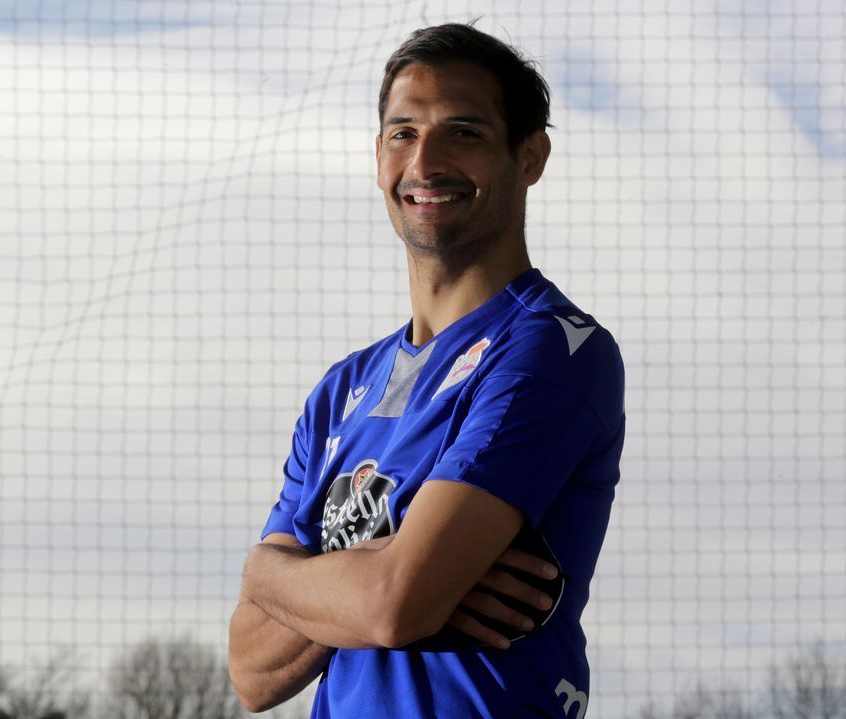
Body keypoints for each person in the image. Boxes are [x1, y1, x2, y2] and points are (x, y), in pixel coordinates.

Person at [227, 23, 625, 718]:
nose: (425, 162)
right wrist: (386, 562)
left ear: (529, 156)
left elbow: (391, 603)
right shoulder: (339, 392)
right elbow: (252, 670)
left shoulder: (554, 347)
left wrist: (281, 571)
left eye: (463, 133)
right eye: (402, 133)